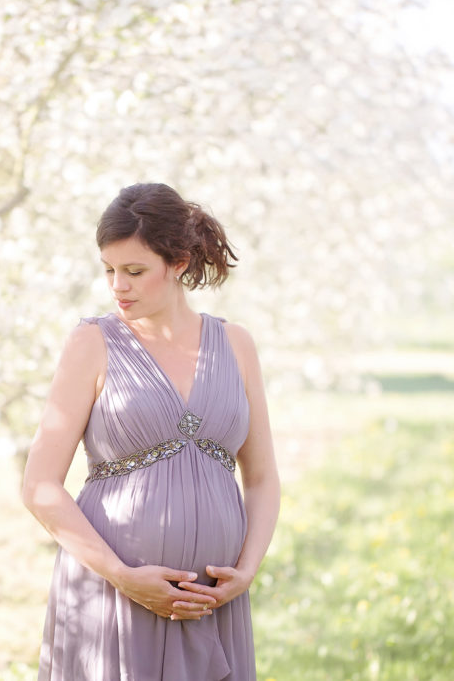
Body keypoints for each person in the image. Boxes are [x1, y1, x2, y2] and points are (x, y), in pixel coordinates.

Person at [21, 183, 281, 681]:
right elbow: (39, 486)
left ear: (179, 262)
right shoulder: (92, 344)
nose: (119, 285)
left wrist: (246, 572)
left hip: (213, 603)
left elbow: (263, 477)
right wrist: (123, 577)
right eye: (110, 270)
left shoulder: (236, 345)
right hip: (113, 596)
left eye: (135, 271)